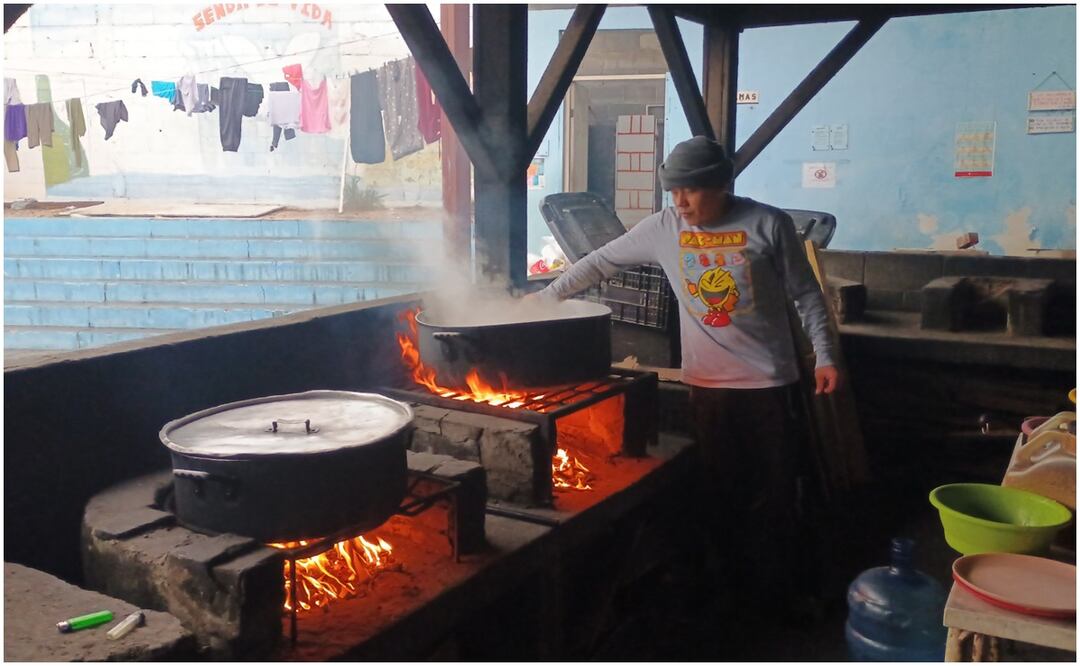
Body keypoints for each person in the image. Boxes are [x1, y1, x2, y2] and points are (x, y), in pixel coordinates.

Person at [535, 135, 839, 620]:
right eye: (673, 191)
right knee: (719, 493)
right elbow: (597, 263)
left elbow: (807, 296)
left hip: (769, 384)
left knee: (779, 492)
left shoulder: (768, 223)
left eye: (691, 191)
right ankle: (732, 594)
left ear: (722, 184)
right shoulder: (664, 227)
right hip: (708, 388)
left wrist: (825, 356)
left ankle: (786, 595)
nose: (681, 202)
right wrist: (541, 302)